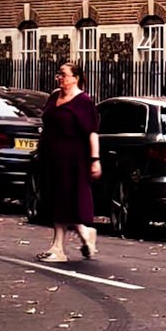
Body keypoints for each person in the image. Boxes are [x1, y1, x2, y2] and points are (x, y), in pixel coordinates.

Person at [32, 57, 100, 266]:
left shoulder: (84, 101)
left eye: (63, 74)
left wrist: (95, 159)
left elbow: (92, 132)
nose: (59, 77)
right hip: (51, 155)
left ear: (75, 78)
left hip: (72, 157)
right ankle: (84, 233)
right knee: (55, 198)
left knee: (64, 199)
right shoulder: (54, 96)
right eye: (58, 74)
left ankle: (58, 248)